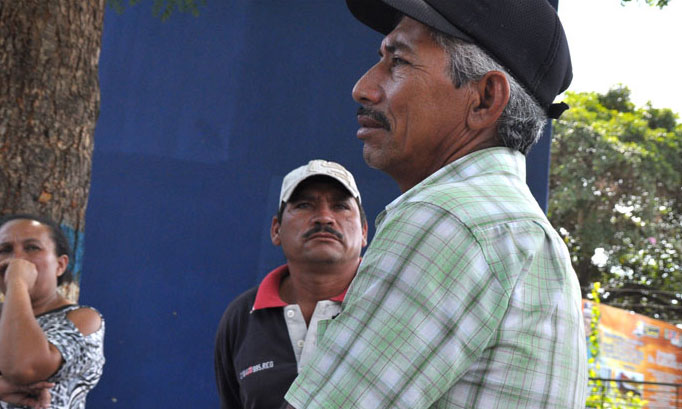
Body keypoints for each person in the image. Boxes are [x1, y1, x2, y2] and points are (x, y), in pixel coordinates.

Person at [284, 1, 587, 408]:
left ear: (484, 99)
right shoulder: (526, 232)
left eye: (399, 62)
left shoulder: (448, 219)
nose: (364, 88)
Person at [214, 160, 368, 409]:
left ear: (363, 232)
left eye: (340, 206)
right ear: (276, 230)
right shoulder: (242, 316)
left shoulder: (387, 304)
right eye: (305, 205)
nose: (325, 218)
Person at [0, 214, 105, 409]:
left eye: (32, 247)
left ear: (60, 265)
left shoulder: (83, 320)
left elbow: (24, 367)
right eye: (5, 250)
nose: (17, 259)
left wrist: (17, 282)